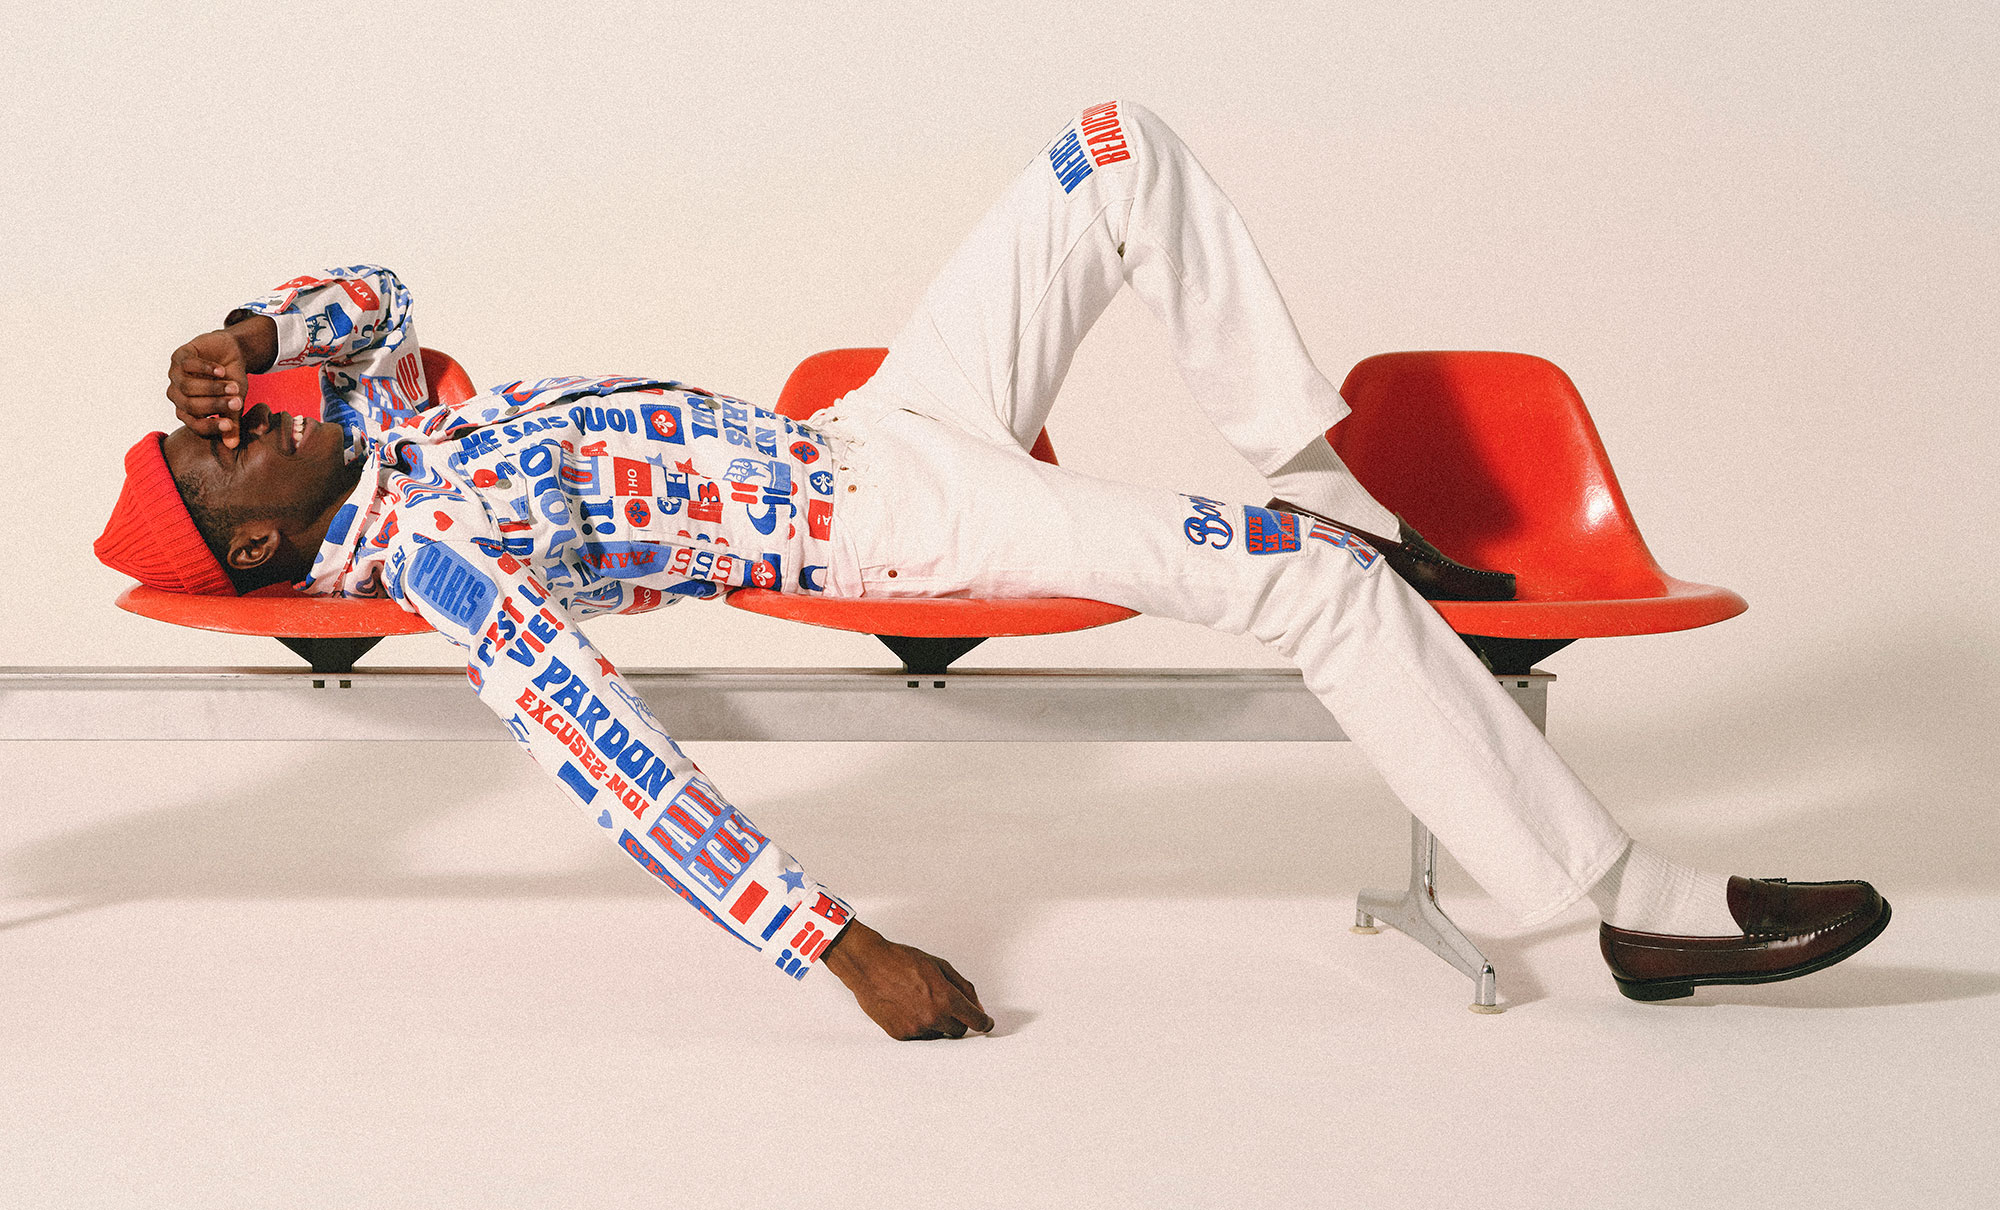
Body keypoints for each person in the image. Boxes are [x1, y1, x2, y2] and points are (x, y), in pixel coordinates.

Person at [96, 102, 1888, 1039]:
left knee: (1114, 147)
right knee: (1319, 589)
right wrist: (842, 945)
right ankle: (1623, 897)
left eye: (237, 402)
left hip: (885, 420)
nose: (251, 407)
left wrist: (248, 319)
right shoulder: (441, 552)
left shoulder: (379, 417)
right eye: (230, 436)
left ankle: (1320, 463)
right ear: (261, 539)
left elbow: (389, 299)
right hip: (881, 523)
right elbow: (618, 768)